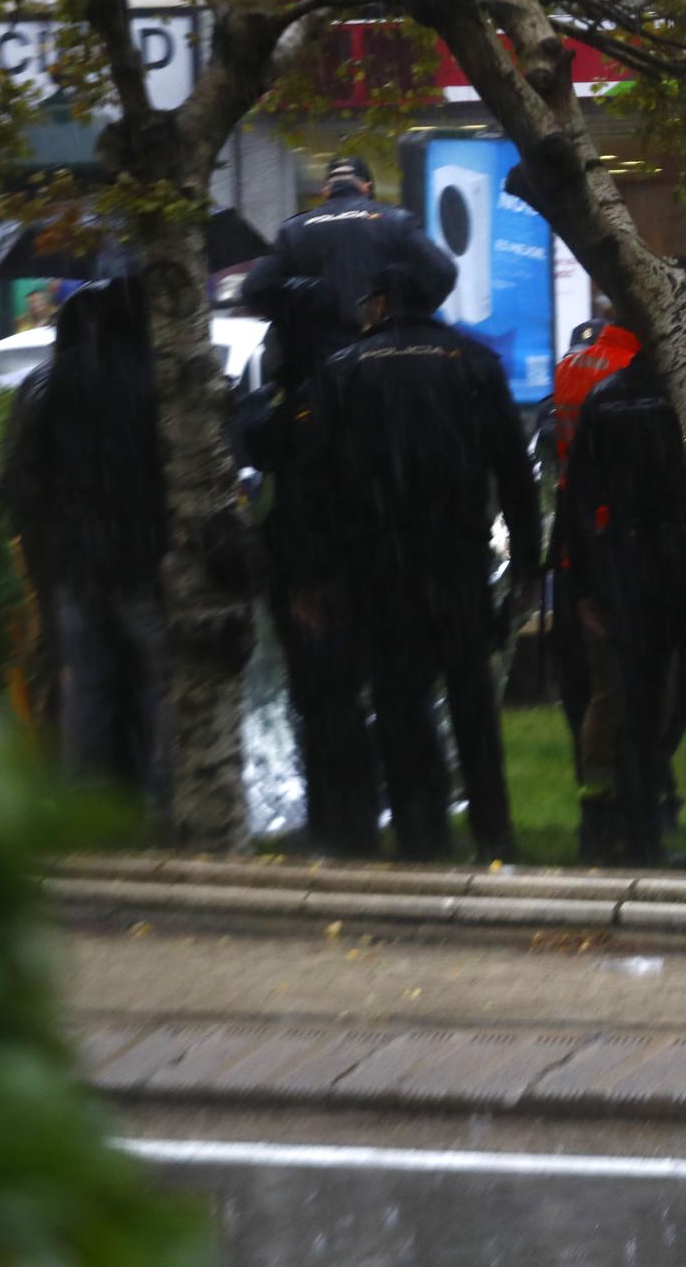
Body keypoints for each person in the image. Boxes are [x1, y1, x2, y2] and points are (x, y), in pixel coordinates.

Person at [310, 263, 540, 863]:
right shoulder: (473, 364)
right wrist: (526, 570)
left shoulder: (345, 371)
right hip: (455, 560)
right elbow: (514, 475)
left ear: (381, 303)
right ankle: (494, 830)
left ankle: (421, 830)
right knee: (472, 704)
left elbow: (321, 484)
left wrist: (318, 572)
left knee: (398, 702)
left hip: (379, 566)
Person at [1, 280, 170, 814]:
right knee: (161, 681)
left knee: (86, 685)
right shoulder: (153, 383)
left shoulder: (51, 385)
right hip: (141, 556)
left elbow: (25, 480)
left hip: (76, 561)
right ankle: (164, 797)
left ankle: (87, 809)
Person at [561, 349, 686, 865]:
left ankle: (639, 833)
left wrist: (588, 583)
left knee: (637, 703)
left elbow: (579, 498)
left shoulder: (607, 398)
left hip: (631, 561)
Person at [241, 277, 382, 854]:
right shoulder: (346, 377)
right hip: (355, 563)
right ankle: (350, 815)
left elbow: (305, 487)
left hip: (319, 570)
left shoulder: (316, 390)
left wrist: (306, 577)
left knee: (326, 701)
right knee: (337, 700)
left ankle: (339, 818)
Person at [547, 316, 644, 860]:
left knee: (596, 689)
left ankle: (598, 807)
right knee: (625, 686)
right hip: (620, 544)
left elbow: (569, 469)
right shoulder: (631, 373)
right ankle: (629, 808)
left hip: (578, 543)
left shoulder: (569, 368)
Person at [242, 155, 457, 334]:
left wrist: (299, 320)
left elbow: (254, 289)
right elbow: (444, 272)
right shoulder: (396, 220)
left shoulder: (293, 229)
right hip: (382, 350)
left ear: (326, 189)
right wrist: (411, 316)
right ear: (367, 186)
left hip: (319, 360)